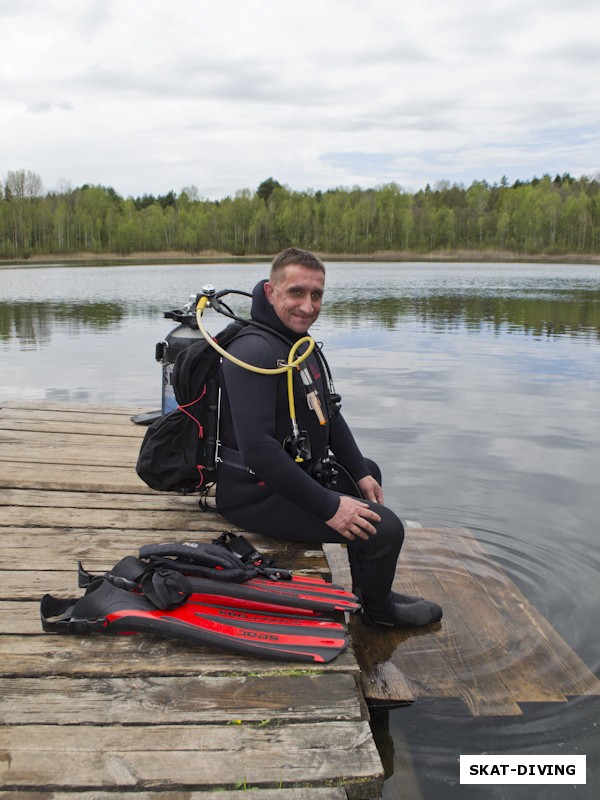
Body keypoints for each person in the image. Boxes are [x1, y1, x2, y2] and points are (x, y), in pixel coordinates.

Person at [215, 247, 442, 628]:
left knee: (367, 473)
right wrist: (330, 508)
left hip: (286, 475)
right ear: (270, 293)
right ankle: (380, 614)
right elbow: (258, 451)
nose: (308, 306)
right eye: (296, 293)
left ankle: (370, 592)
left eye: (316, 295)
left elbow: (329, 416)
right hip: (251, 495)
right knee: (384, 528)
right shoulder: (254, 349)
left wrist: (360, 473)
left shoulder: (294, 343)